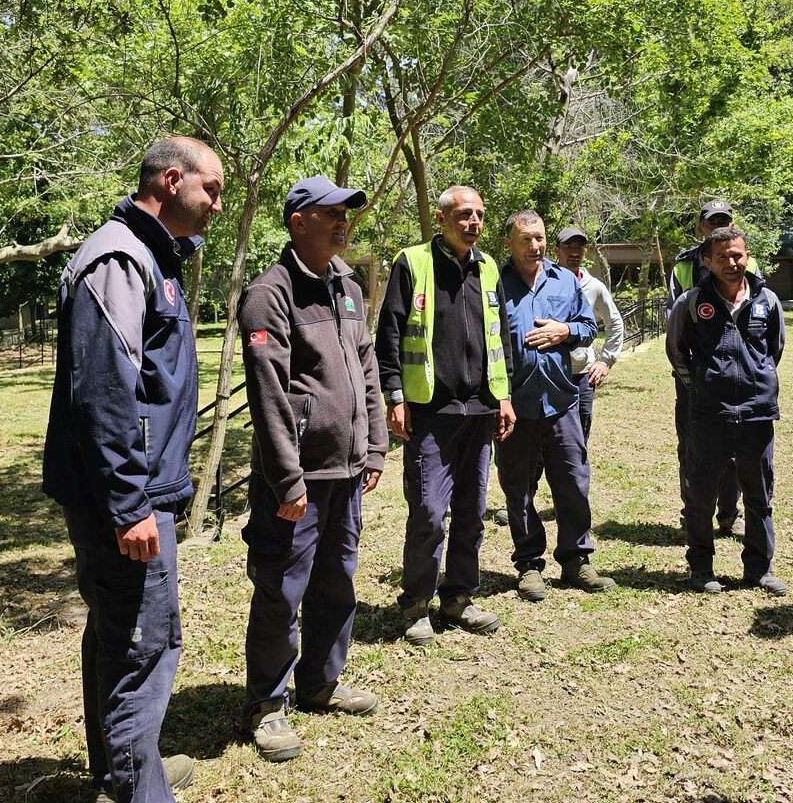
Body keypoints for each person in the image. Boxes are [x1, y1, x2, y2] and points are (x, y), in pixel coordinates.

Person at [43, 137, 224, 803]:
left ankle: (125, 768)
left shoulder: (150, 255)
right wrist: (130, 505)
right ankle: (136, 789)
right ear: (171, 179)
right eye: (211, 190)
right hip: (126, 501)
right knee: (143, 644)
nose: (216, 206)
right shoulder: (120, 257)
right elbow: (104, 393)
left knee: (120, 633)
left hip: (131, 492)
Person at [237, 177, 388, 762]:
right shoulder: (269, 295)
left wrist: (373, 446)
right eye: (332, 214)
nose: (343, 223)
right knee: (280, 589)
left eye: (345, 214)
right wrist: (288, 479)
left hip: (347, 472)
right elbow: (269, 396)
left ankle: (322, 682)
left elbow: (367, 369)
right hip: (296, 482)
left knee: (336, 583)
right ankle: (268, 704)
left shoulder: (348, 286)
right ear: (299, 222)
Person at [375, 186, 516, 646]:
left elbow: (502, 337)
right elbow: (390, 335)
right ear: (441, 219)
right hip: (430, 411)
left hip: (480, 409)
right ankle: (416, 602)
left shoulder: (489, 266)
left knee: (473, 511)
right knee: (430, 512)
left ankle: (458, 596)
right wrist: (395, 395)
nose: (472, 222)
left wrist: (506, 395)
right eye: (462, 215)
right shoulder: (412, 262)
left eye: (478, 215)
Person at [496, 211, 611, 601]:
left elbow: (589, 326)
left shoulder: (565, 281)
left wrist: (566, 331)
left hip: (562, 400)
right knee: (518, 488)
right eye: (526, 239)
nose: (535, 246)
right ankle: (529, 564)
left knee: (573, 482)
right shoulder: (494, 284)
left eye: (540, 238)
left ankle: (577, 560)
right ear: (509, 243)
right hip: (515, 407)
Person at [667, 227, 788, 596]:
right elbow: (677, 353)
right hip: (710, 415)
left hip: (757, 414)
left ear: (747, 256)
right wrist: (703, 385)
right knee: (700, 496)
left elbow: (774, 349)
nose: (732, 263)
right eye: (722, 257)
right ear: (708, 261)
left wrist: (756, 380)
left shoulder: (767, 300)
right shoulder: (691, 302)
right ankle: (701, 567)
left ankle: (759, 568)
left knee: (759, 495)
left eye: (737, 255)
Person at [667, 199, 742, 536]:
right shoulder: (684, 267)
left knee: (736, 449)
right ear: (701, 228)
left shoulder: (743, 263)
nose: (718, 227)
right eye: (712, 222)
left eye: (724, 220)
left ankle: (729, 514)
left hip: (738, 378)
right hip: (693, 377)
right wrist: (689, 378)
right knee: (693, 447)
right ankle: (693, 516)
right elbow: (674, 323)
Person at [554, 226, 624, 442]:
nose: (575, 252)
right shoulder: (545, 281)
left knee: (579, 437)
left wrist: (605, 361)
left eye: (580, 247)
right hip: (551, 373)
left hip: (582, 375)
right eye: (568, 247)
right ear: (557, 250)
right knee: (546, 437)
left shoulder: (594, 286)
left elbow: (615, 322)